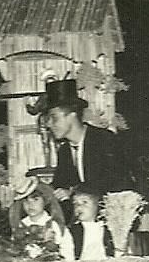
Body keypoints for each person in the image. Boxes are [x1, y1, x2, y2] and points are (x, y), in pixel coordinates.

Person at [38, 79, 118, 217]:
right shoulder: (64, 151)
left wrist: (72, 192)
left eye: (54, 118)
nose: (49, 125)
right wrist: (37, 188)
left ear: (72, 115)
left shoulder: (104, 140)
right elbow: (59, 186)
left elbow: (113, 182)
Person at [7, 176, 75, 261]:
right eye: (26, 201)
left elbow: (67, 251)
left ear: (45, 201)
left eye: (35, 200)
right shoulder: (20, 226)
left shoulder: (55, 225)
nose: (30, 205)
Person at [69, 186, 113, 260]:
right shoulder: (72, 231)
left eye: (84, 202)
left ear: (98, 205)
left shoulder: (108, 228)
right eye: (75, 203)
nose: (79, 206)